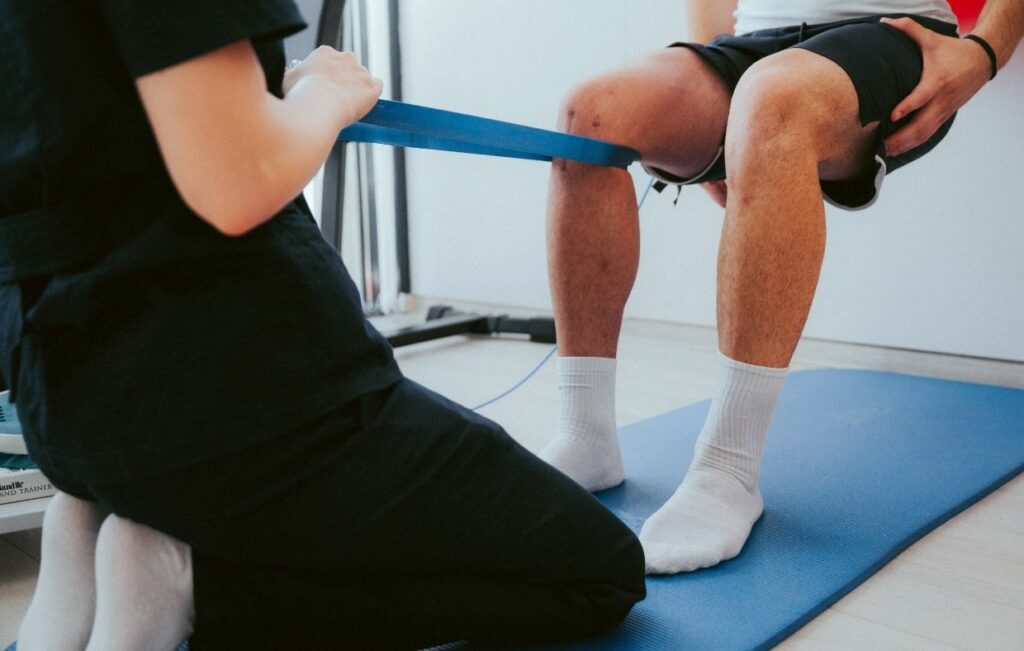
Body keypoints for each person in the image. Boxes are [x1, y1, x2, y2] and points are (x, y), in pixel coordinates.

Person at [0, 1, 645, 648]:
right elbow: (239, 178)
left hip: (66, 399)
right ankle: (192, 581)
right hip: (233, 389)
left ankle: (82, 535)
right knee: (600, 570)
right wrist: (326, 93)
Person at [538, 0, 1024, 575]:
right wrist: (720, 135)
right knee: (589, 113)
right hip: (754, 47)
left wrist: (984, 53)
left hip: (892, 36)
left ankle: (728, 471)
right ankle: (585, 435)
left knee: (771, 98)